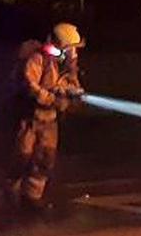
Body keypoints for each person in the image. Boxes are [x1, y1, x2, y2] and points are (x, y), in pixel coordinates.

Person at [8, 22, 84, 211]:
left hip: (50, 121)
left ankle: (32, 199)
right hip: (30, 119)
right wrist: (50, 98)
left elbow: (71, 88)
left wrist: (72, 95)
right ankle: (11, 194)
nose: (74, 53)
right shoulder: (38, 59)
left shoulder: (67, 68)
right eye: (72, 49)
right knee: (22, 157)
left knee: (44, 159)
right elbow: (30, 85)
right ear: (62, 46)